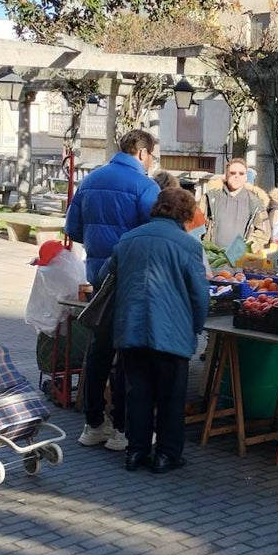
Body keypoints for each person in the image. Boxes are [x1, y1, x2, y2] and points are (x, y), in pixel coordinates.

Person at [100, 187, 209, 473]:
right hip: (171, 332)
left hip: (131, 329)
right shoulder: (188, 246)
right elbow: (200, 294)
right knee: (171, 397)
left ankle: (135, 452)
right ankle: (166, 455)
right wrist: (197, 325)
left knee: (138, 394)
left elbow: (104, 276)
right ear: (185, 214)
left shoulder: (128, 239)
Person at [64, 129, 161, 452]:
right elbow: (155, 231)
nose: (151, 162)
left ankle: (93, 423)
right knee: (128, 353)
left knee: (101, 350)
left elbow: (73, 228)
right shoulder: (145, 185)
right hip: (132, 278)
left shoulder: (90, 180)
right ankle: (122, 428)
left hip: (97, 274)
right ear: (142, 153)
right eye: (152, 155)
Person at [201, 157, 270, 253]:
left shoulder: (255, 202)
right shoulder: (210, 198)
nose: (237, 176)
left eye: (241, 173)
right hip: (211, 258)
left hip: (241, 260)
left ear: (246, 177)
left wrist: (246, 249)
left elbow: (263, 233)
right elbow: (195, 226)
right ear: (226, 175)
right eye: (233, 173)